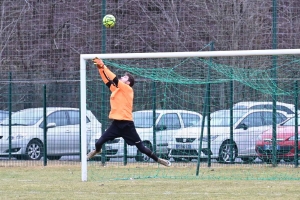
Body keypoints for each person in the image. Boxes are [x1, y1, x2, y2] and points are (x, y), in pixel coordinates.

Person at [87, 58, 171, 167]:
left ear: (128, 82)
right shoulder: (116, 89)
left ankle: (159, 160)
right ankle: (97, 151)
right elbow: (107, 80)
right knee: (98, 143)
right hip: (116, 124)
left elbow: (113, 78)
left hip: (127, 125)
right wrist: (100, 69)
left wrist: (104, 66)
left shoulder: (127, 89)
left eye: (124, 77)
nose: (122, 77)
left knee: (141, 148)